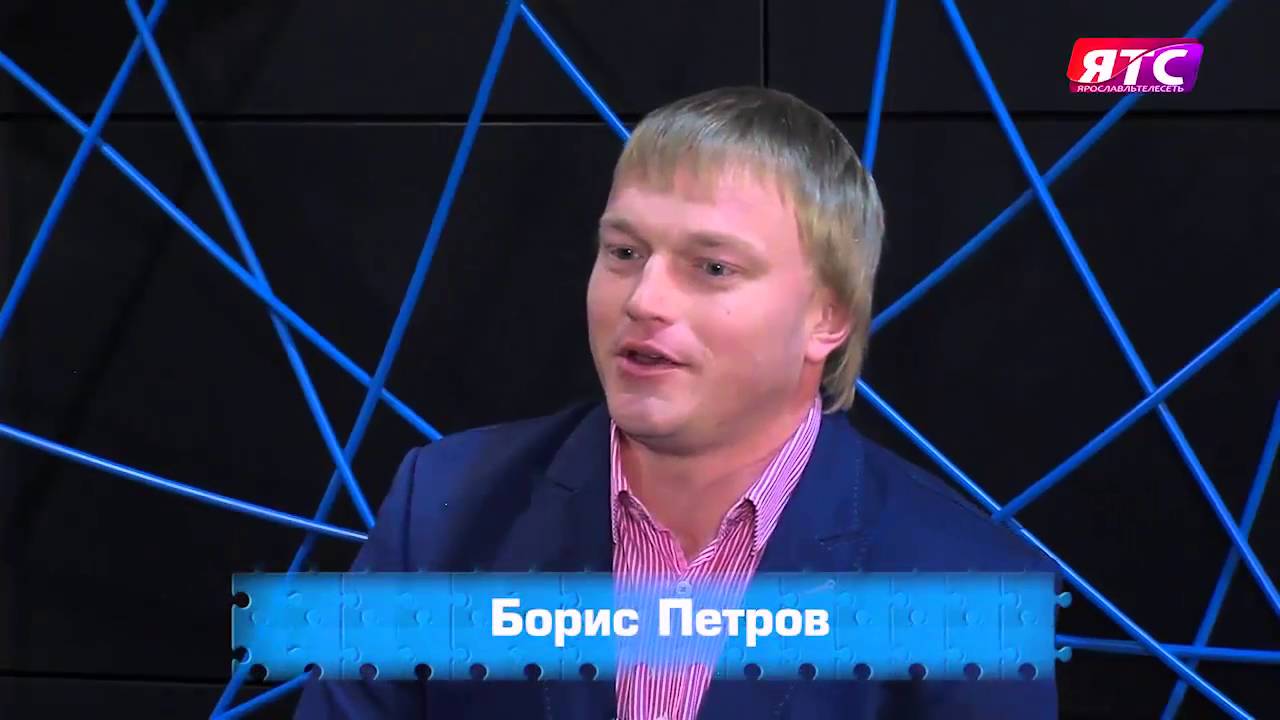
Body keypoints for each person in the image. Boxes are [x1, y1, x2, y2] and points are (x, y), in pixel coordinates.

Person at [293, 86, 1058, 719]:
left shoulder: (970, 592)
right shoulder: (442, 509)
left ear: (827, 319)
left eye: (712, 267)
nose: (644, 299)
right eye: (624, 253)